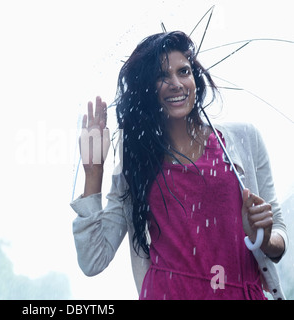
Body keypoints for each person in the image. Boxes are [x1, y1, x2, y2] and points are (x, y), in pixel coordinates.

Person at [70, 31, 288, 300]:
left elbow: (277, 240)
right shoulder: (136, 165)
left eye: (183, 71)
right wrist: (94, 173)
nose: (176, 83)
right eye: (162, 76)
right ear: (146, 89)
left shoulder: (244, 139)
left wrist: (263, 237)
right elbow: (93, 259)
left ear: (195, 78)